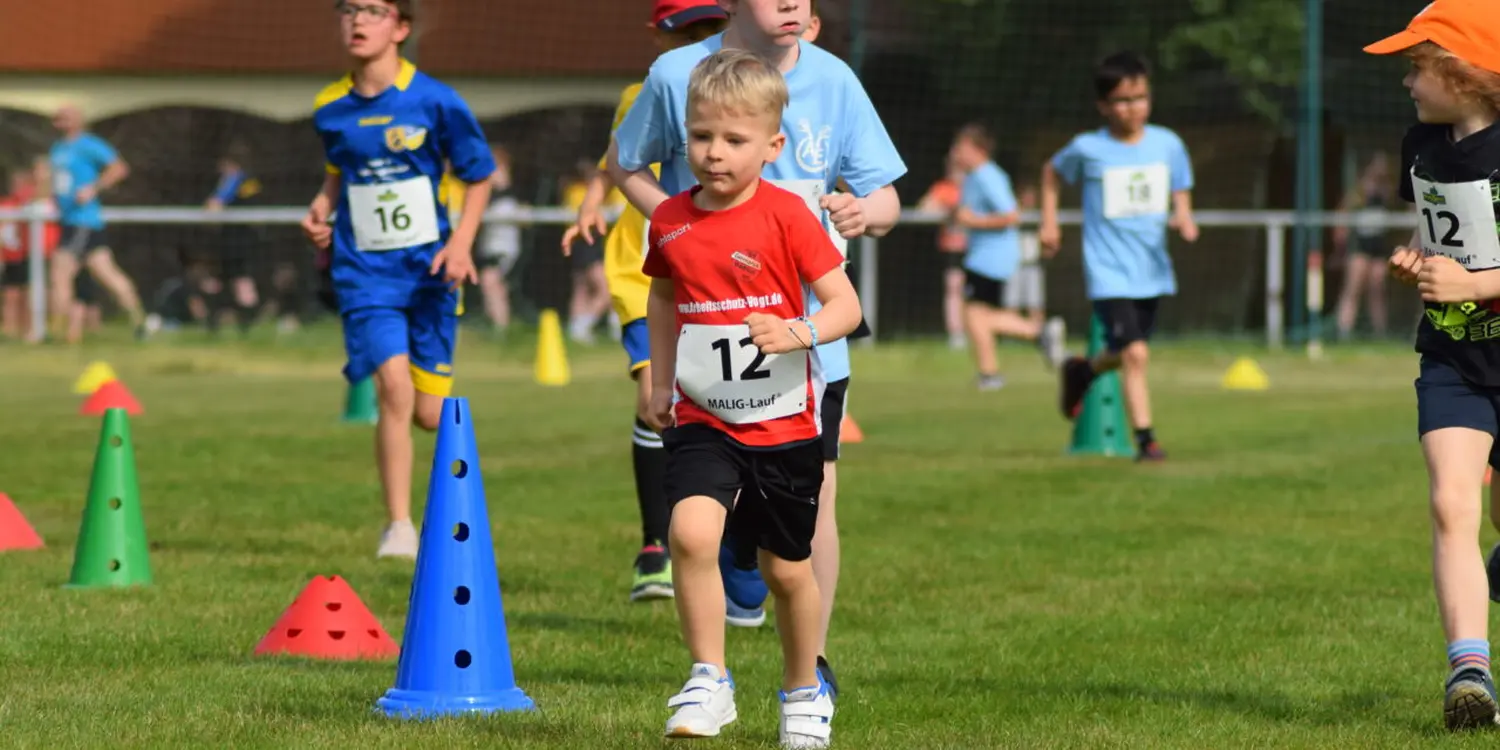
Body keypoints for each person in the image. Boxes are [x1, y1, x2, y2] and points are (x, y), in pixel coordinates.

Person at [608, 0, 905, 703]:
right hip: (705, 346)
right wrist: (690, 232)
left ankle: (813, 667)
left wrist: (869, 212)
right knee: (705, 518)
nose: (794, 2)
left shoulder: (835, 80)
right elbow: (625, 165)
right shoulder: (675, 72)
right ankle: (713, 661)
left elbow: (886, 195)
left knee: (815, 505)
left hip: (810, 344)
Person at [643, 48, 858, 746]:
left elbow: (844, 307)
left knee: (785, 571)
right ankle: (710, 678)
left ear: (772, 145)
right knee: (690, 535)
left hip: (782, 424)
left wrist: (797, 331)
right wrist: (657, 375)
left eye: (734, 140)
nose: (714, 153)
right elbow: (665, 293)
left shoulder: (789, 215)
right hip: (704, 417)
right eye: (701, 135)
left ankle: (803, 691)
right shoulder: (670, 218)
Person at [300, 0, 496, 559]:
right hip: (364, 273)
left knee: (430, 414)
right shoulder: (329, 105)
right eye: (348, 10)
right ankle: (399, 527)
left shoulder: (435, 100)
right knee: (391, 387)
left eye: (373, 11)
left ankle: (440, 512)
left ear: (401, 28)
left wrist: (461, 244)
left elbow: (479, 176)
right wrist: (321, 207)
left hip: (430, 272)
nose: (357, 21)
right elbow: (338, 173)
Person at [562, 0, 730, 604]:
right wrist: (589, 204)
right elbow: (619, 158)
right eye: (685, 33)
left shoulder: (739, 92)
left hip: (715, 271)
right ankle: (655, 545)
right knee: (652, 396)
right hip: (644, 271)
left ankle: (724, 536)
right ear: (659, 38)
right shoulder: (647, 90)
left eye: (710, 31)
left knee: (720, 400)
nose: (699, 43)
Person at [1370, 0, 1500, 730]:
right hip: (1452, 356)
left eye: (1419, 66)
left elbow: (1478, 268)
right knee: (1453, 503)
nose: (1409, 82)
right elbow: (1434, 229)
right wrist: (1417, 260)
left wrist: (1476, 284)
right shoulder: (1420, 145)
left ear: (1468, 72)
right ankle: (1469, 673)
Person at [1040, 50, 1198, 462]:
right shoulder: (1088, 148)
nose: (1134, 108)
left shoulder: (1167, 144)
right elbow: (1051, 173)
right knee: (1136, 353)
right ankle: (1147, 441)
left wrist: (1183, 215)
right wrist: (1050, 223)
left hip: (1151, 269)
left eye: (1141, 97)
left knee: (1126, 350)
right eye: (1123, 101)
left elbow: (1180, 184)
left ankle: (1083, 370)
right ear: (1104, 106)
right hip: (1108, 270)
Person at [947, 124, 1066, 389]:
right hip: (982, 257)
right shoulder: (974, 177)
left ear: (977, 149)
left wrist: (974, 221)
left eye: (961, 147)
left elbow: (1011, 215)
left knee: (977, 316)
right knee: (976, 316)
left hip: (990, 259)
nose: (956, 153)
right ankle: (991, 372)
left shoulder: (988, 176)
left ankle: (1036, 333)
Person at [48, 104, 148, 341]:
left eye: (66, 117)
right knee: (107, 273)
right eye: (58, 118)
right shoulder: (58, 148)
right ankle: (140, 322)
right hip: (69, 220)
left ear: (79, 120)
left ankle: (56, 331)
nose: (60, 122)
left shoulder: (89, 145)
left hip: (82, 221)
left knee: (60, 273)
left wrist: (93, 189)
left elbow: (119, 168)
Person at [1332, 152, 1395, 341]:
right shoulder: (1358, 192)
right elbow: (1341, 219)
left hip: (1378, 248)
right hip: (1359, 248)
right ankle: (1343, 332)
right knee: (1353, 289)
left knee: (1377, 290)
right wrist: (1340, 250)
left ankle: (1380, 334)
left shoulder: (1388, 191)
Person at [203, 143, 265, 336]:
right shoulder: (252, 182)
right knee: (234, 279)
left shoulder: (234, 179)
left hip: (234, 240)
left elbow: (214, 205)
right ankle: (240, 324)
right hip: (250, 239)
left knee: (237, 281)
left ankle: (242, 324)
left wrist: (208, 218)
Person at [916, 157, 970, 349]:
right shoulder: (943, 189)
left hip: (976, 249)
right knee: (954, 289)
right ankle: (956, 333)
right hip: (953, 250)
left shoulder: (975, 188)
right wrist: (946, 209)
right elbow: (923, 209)